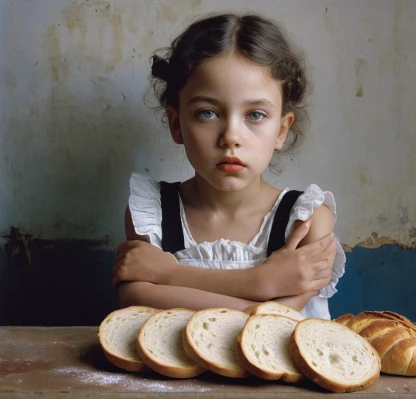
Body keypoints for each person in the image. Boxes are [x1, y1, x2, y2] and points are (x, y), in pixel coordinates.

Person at [112, 13, 346, 319]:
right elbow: (134, 296)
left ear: (281, 130)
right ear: (176, 124)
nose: (231, 137)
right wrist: (261, 285)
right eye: (208, 113)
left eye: (255, 115)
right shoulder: (152, 215)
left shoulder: (305, 222)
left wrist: (170, 276)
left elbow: (278, 326)